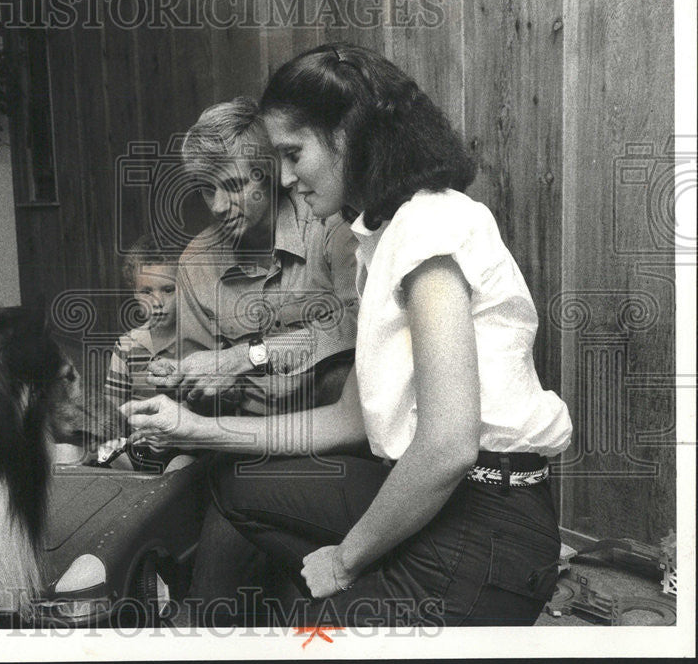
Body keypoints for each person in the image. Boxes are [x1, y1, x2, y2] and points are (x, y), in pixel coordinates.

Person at [122, 43, 573, 627]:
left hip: (488, 521)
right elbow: (348, 419)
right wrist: (194, 427)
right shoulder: (382, 236)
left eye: (292, 153)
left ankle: (362, 596)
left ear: (350, 134)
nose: (284, 177)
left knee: (309, 621)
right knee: (238, 487)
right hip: (438, 494)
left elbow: (448, 447)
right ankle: (350, 593)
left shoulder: (432, 224)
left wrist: (346, 557)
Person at [148, 96, 360, 419]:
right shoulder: (194, 263)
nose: (218, 206)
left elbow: (361, 326)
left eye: (233, 186)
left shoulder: (329, 224)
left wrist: (244, 357)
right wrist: (193, 383)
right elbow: (205, 402)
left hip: (334, 432)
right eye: (207, 189)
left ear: (269, 173)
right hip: (243, 440)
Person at [100, 234, 190, 473]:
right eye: (146, 291)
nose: (157, 301)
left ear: (187, 289)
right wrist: (130, 434)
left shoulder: (198, 342)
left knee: (181, 469)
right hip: (138, 444)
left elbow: (210, 411)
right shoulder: (127, 345)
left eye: (168, 290)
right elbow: (112, 409)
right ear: (134, 292)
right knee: (94, 453)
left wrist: (176, 435)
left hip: (184, 445)